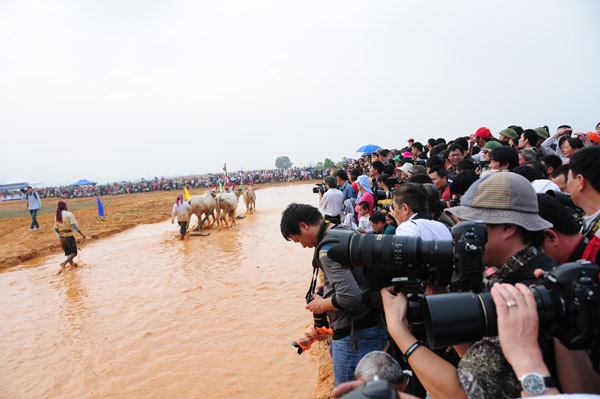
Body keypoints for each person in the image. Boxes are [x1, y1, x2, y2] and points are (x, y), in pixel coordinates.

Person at [381, 172, 557, 399]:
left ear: (508, 227)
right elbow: (478, 361)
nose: (463, 233)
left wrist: (398, 331)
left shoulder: (526, 291)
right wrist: (442, 299)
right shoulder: (518, 272)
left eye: (473, 225)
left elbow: (465, 392)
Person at [280, 203, 388, 386]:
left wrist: (320, 305)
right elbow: (354, 275)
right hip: (372, 323)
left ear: (304, 226)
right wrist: (329, 288)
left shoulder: (327, 250)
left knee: (347, 392)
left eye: (298, 240)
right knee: (370, 389)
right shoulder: (342, 230)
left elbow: (351, 297)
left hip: (354, 336)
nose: (304, 246)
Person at [54, 200, 87, 274]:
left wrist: (61, 234)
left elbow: (56, 229)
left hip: (61, 237)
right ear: (65, 206)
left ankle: (72, 266)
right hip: (68, 236)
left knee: (68, 253)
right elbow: (74, 226)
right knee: (74, 253)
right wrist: (82, 234)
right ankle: (64, 263)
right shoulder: (69, 214)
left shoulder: (57, 217)